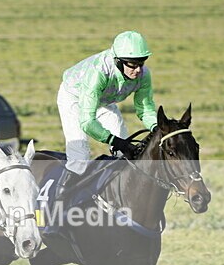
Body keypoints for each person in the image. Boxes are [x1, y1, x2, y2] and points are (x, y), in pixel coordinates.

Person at [56, 30, 157, 196]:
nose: (138, 70)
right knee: (80, 154)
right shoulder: (98, 72)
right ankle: (62, 198)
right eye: (132, 65)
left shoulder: (144, 75)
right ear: (117, 61)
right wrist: (113, 140)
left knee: (124, 152)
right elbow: (87, 122)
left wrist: (156, 127)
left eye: (141, 63)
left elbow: (145, 108)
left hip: (103, 100)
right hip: (74, 97)